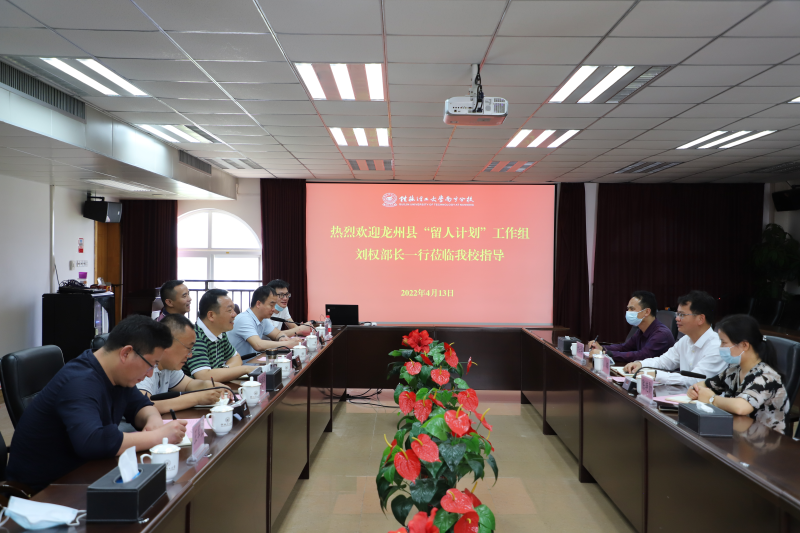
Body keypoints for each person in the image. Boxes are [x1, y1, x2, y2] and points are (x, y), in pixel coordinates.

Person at [6, 316, 187, 490]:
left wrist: (153, 422)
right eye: (151, 364)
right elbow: (92, 441)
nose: (150, 373)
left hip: (85, 474)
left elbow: (142, 405)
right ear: (126, 353)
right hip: (45, 491)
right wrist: (157, 437)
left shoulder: (117, 374)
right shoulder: (80, 381)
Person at [688, 314, 789, 434]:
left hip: (766, 440)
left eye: (724, 343)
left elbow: (741, 407)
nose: (721, 347)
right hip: (738, 433)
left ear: (744, 345)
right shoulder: (734, 370)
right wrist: (694, 390)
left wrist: (711, 399)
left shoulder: (767, 377)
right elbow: (704, 385)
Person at [624, 290, 727, 396]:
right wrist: (641, 364)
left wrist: (656, 374)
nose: (677, 318)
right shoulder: (685, 340)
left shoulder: (717, 347)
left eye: (682, 315)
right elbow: (664, 361)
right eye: (677, 314)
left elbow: (695, 379)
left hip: (708, 404)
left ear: (700, 319)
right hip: (685, 397)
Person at [138, 314, 230, 414]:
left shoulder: (168, 366)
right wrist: (196, 398)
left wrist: (215, 386)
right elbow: (144, 406)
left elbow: (188, 384)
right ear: (167, 342)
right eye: (188, 348)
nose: (190, 355)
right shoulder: (144, 365)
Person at [184, 289, 260, 382]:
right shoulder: (195, 337)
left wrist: (223, 370)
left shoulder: (220, 333)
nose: (234, 314)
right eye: (229, 310)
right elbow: (204, 376)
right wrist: (245, 369)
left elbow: (236, 358)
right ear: (211, 315)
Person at [588, 290, 675, 364]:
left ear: (647, 312)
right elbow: (624, 347)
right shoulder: (641, 330)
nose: (628, 312)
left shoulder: (661, 334)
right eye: (628, 309)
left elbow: (642, 356)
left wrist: (605, 353)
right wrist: (601, 347)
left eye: (632, 309)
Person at [229, 285, 307, 360]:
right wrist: (287, 344)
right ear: (258, 304)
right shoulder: (244, 319)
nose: (274, 309)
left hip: (254, 362)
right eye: (271, 305)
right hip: (241, 366)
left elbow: (277, 334)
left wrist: (282, 338)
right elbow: (258, 345)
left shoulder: (263, 319)